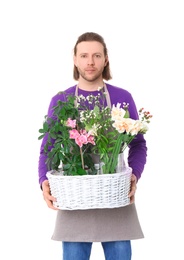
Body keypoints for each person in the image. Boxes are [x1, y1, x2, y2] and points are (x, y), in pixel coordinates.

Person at [38, 32, 147, 260]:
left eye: (97, 55)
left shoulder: (122, 97)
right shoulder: (61, 100)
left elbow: (138, 143)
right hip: (75, 197)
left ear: (105, 59)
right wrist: (43, 180)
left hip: (115, 194)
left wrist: (134, 174)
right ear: (75, 59)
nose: (90, 62)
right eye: (84, 55)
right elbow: (48, 147)